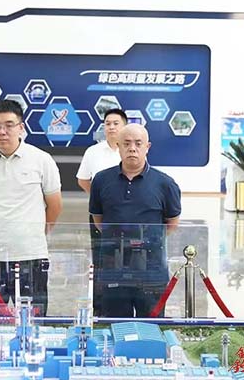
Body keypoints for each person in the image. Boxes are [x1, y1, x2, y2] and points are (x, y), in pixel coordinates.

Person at [0, 99, 62, 316]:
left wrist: (36, 231)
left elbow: (55, 206)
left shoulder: (42, 160)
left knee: (32, 322)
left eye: (9, 125)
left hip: (31, 255)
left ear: (21, 127)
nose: (2, 131)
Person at [89, 124, 181, 317]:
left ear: (147, 147)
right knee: (114, 324)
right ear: (118, 146)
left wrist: (147, 241)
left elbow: (171, 224)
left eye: (138, 144)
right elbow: (98, 219)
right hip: (113, 267)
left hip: (151, 270)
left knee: (151, 326)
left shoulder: (165, 184)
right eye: (127, 143)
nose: (132, 149)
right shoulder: (101, 180)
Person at [76, 108, 127, 314]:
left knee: (129, 256)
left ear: (124, 126)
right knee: (101, 257)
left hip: (129, 214)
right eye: (107, 123)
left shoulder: (130, 149)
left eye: (116, 123)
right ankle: (100, 306)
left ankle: (125, 300)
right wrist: (99, 198)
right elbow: (82, 179)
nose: (111, 127)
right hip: (101, 214)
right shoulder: (93, 152)